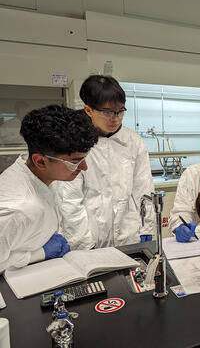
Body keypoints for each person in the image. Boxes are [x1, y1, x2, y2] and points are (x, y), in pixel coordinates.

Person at [53, 75, 154, 249]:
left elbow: (143, 188)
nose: (115, 118)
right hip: (89, 236)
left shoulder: (133, 141)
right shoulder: (74, 142)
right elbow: (69, 200)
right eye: (107, 112)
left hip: (128, 233)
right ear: (88, 110)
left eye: (120, 111)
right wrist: (83, 243)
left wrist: (147, 226)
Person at [0, 105, 98, 272]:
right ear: (40, 161)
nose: (85, 167)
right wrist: (38, 254)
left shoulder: (37, 173)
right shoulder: (18, 208)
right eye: (75, 162)